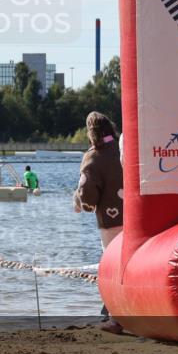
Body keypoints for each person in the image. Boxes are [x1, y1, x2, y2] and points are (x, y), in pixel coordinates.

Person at [73, 112, 125, 334]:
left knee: (112, 266)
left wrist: (79, 203)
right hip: (135, 215)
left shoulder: (94, 156)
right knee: (130, 265)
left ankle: (115, 318)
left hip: (111, 220)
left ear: (90, 132)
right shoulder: (124, 148)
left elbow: (87, 193)